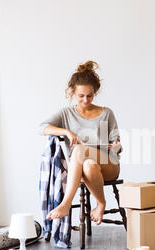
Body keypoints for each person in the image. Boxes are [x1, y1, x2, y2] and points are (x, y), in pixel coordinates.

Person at [40, 61, 122, 225]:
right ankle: (101, 203)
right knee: (89, 165)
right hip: (83, 169)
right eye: (81, 96)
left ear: (95, 93)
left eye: (90, 95)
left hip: (108, 164)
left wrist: (116, 146)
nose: (86, 100)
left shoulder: (106, 113)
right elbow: (42, 127)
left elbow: (118, 144)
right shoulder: (66, 113)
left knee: (79, 150)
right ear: (73, 93)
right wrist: (67, 132)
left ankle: (66, 203)